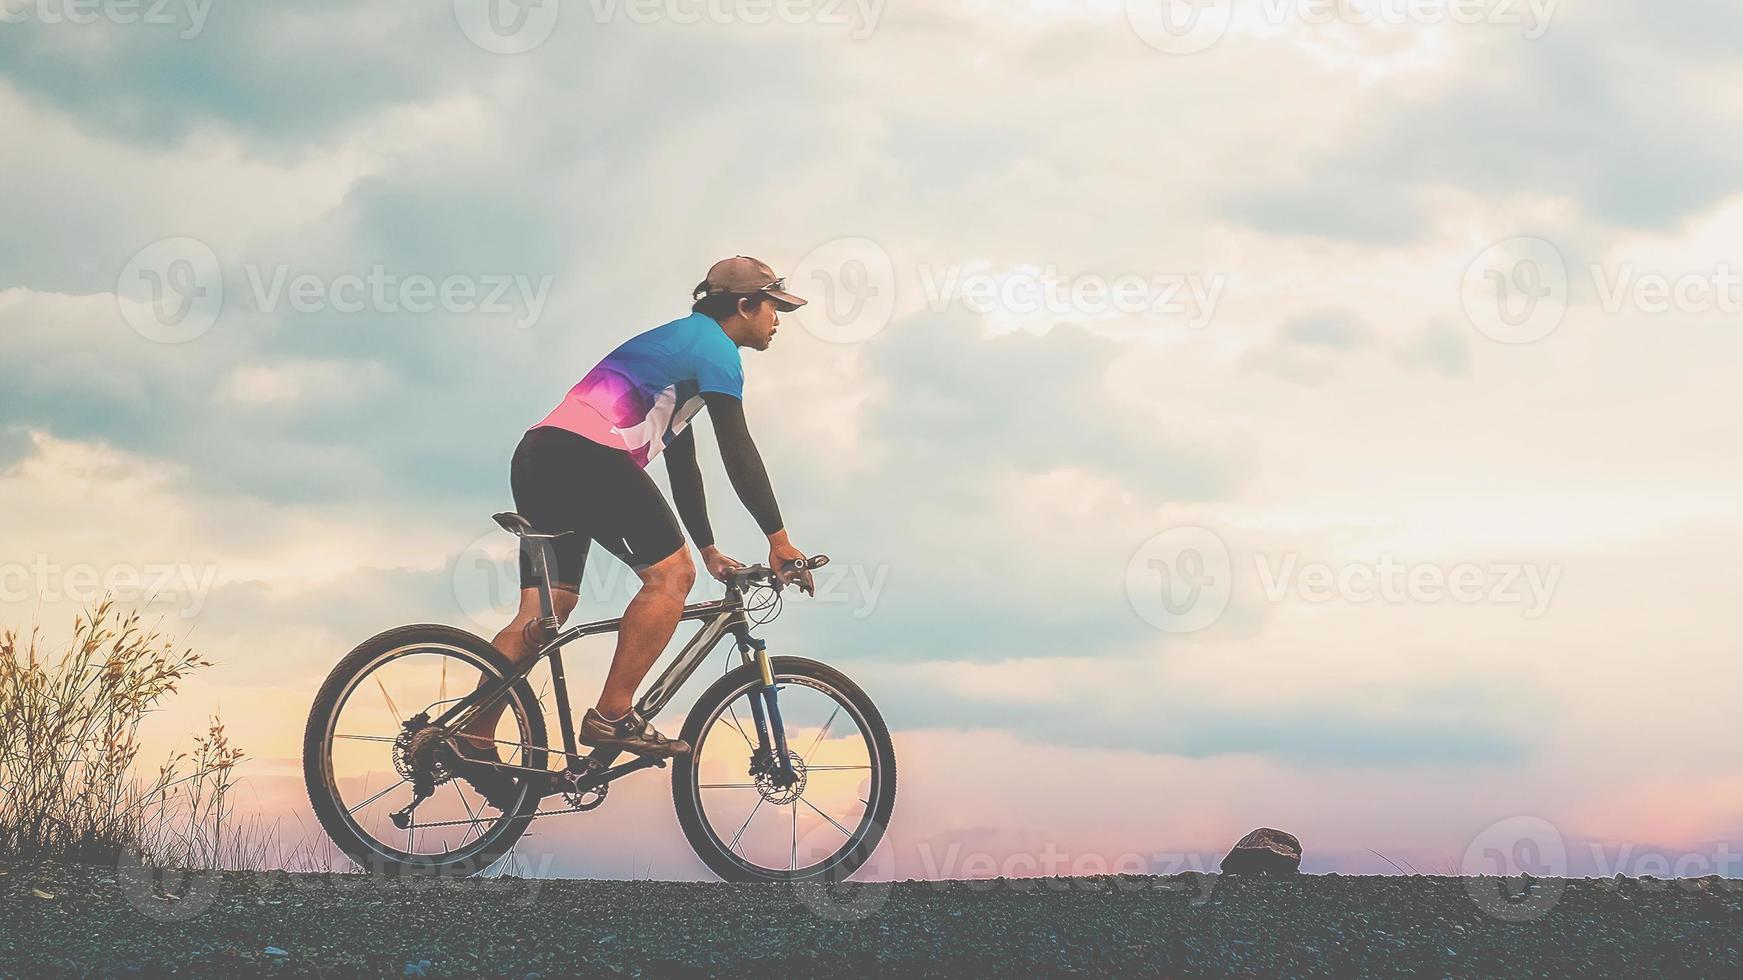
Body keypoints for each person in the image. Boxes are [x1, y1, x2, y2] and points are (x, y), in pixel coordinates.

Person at [453, 257, 814, 808]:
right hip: (588, 456)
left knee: (542, 615)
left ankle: (471, 735)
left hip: (540, 453)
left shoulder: (677, 349)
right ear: (744, 307)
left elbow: (683, 464)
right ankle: (613, 715)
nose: (778, 320)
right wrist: (779, 538)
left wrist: (711, 548)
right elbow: (737, 449)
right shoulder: (716, 350)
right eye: (774, 307)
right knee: (672, 578)